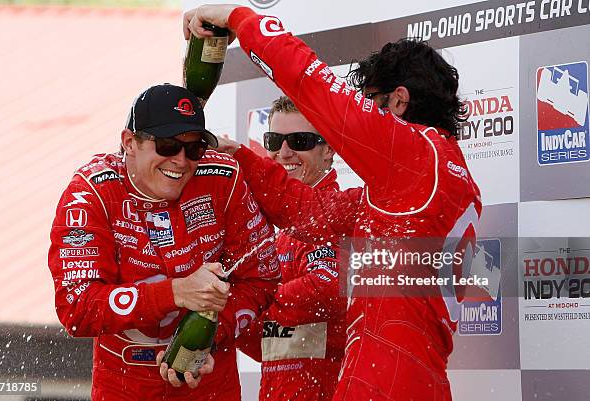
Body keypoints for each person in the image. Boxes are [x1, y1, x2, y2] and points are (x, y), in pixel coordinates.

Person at [183, 6, 483, 401]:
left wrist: (239, 18)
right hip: (415, 379)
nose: (366, 114)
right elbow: (307, 214)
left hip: (382, 384)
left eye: (370, 102)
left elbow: (310, 82)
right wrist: (240, 155)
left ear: (398, 102)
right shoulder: (435, 179)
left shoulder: (416, 155)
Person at [48, 83, 280, 401]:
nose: (182, 161)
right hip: (125, 387)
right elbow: (77, 307)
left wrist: (206, 338)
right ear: (129, 142)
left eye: (194, 148)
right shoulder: (92, 194)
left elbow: (261, 278)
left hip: (210, 384)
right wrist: (175, 293)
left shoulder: (223, 180)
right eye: (168, 146)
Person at [235, 96, 346, 401]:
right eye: (274, 140)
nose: (284, 153)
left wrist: (247, 303)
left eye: (300, 141)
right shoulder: (275, 229)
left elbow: (329, 289)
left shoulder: (336, 216)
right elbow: (264, 344)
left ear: (328, 151)